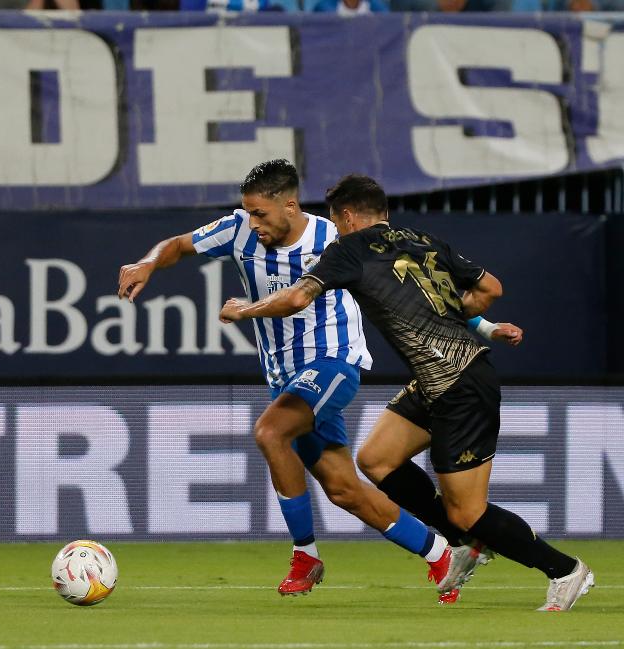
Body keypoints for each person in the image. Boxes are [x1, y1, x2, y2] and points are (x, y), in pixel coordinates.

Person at [118, 159, 506, 600]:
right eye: (247, 212)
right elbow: (178, 246)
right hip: (286, 378)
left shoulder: (335, 239)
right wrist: (147, 263)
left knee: (270, 432)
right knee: (344, 490)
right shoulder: (238, 230)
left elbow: (414, 292)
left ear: (290, 204)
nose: (253, 222)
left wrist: (486, 328)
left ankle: (306, 556)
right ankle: (441, 553)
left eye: (261, 213)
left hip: (334, 362)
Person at [219, 173, 593, 611]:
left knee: (468, 510)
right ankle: (465, 543)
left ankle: (564, 569)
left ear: (349, 216)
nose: (335, 230)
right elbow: (490, 288)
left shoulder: (350, 248)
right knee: (376, 460)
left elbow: (299, 298)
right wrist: (469, 322)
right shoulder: (420, 241)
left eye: (337, 222)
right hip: (434, 380)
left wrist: (247, 309)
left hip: (461, 383)